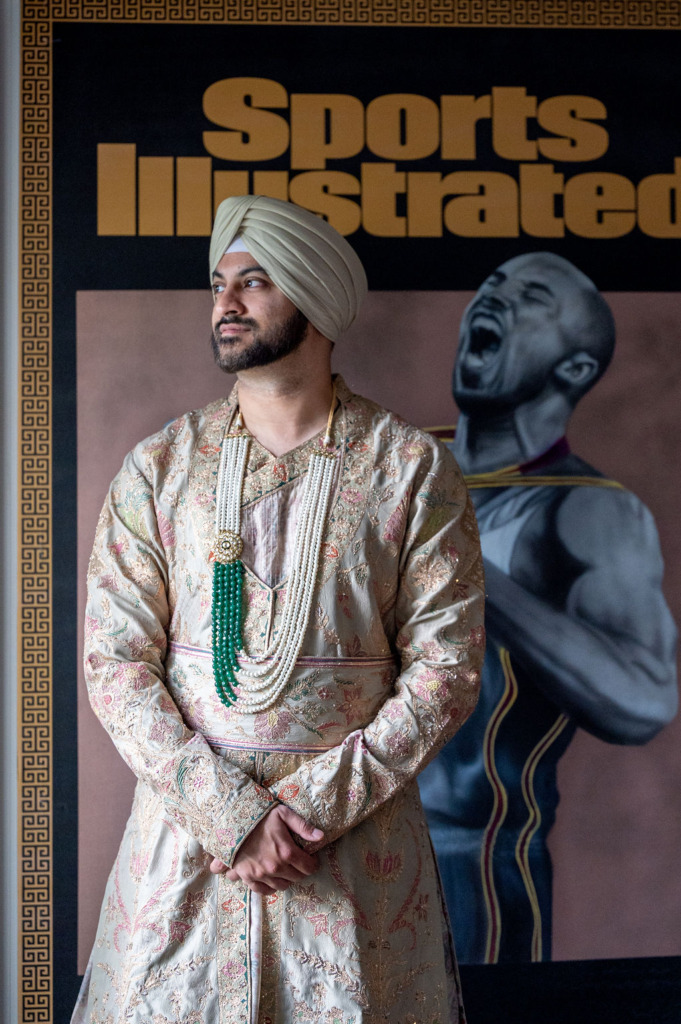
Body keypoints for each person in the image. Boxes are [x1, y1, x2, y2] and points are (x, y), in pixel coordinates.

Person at [73, 195, 485, 1024]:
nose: (225, 303)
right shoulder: (160, 467)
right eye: (218, 284)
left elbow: (447, 670)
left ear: (317, 298)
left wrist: (303, 819)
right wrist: (233, 818)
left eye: (254, 282)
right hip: (191, 846)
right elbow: (114, 662)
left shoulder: (409, 469)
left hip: (347, 849)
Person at [418, 251, 678, 965]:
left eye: (529, 297)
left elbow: (644, 698)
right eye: (489, 286)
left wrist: (472, 573)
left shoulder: (586, 511)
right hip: (340, 860)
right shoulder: (403, 465)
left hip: (469, 869)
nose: (492, 299)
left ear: (574, 367)